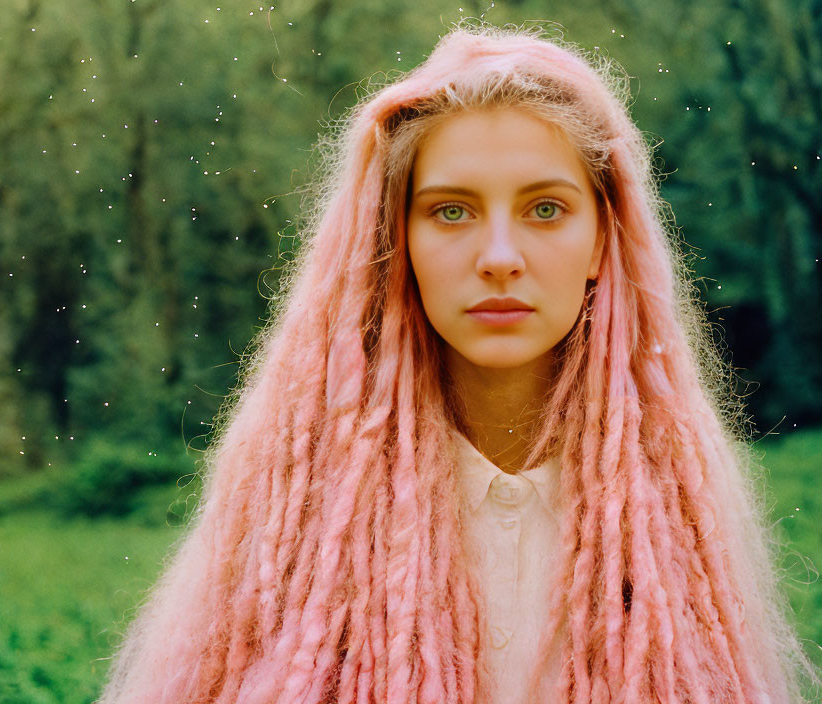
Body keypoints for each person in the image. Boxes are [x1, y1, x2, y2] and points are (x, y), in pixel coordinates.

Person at [98, 24, 815, 704]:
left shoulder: (669, 511)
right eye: (450, 211)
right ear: (394, 240)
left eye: (545, 210)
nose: (499, 258)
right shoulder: (299, 516)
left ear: (603, 239)